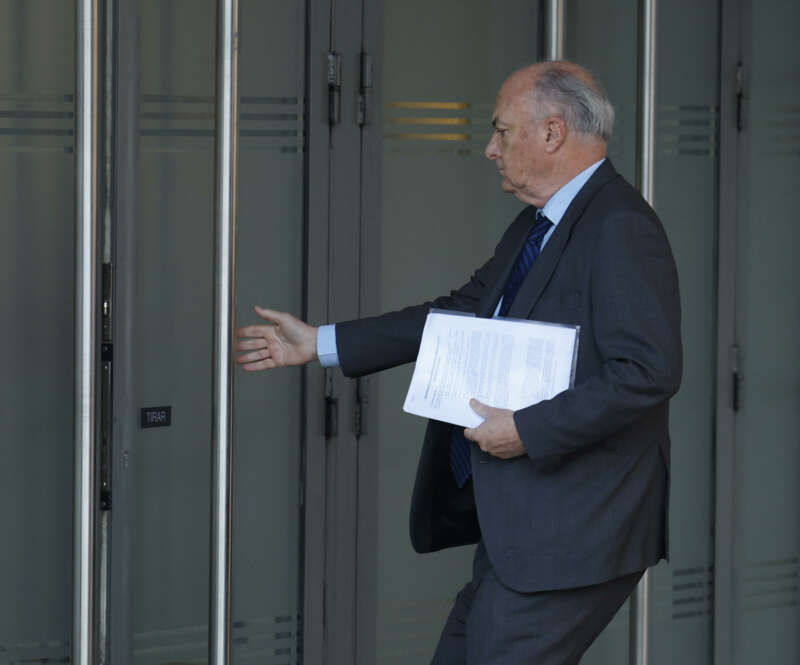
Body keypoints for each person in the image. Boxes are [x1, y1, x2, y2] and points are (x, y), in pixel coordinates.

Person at [236, 60, 682, 665]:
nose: (488, 149)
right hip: (523, 527)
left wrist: (526, 430)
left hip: (576, 531)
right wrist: (321, 343)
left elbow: (647, 372)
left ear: (551, 134)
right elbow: (462, 314)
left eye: (501, 131)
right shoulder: (541, 222)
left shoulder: (620, 226)